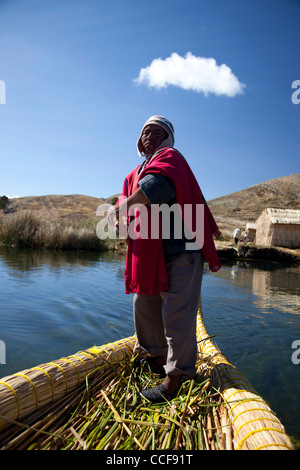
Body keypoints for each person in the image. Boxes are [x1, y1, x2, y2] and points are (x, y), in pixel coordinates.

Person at [110, 115, 221, 403]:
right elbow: (131, 212)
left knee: (177, 313)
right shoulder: (134, 174)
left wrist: (121, 207)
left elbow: (158, 188)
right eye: (146, 132)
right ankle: (157, 357)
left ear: (168, 139)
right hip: (150, 254)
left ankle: (175, 378)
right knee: (144, 303)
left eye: (158, 133)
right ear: (139, 140)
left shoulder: (170, 159)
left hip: (181, 248)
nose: (151, 136)